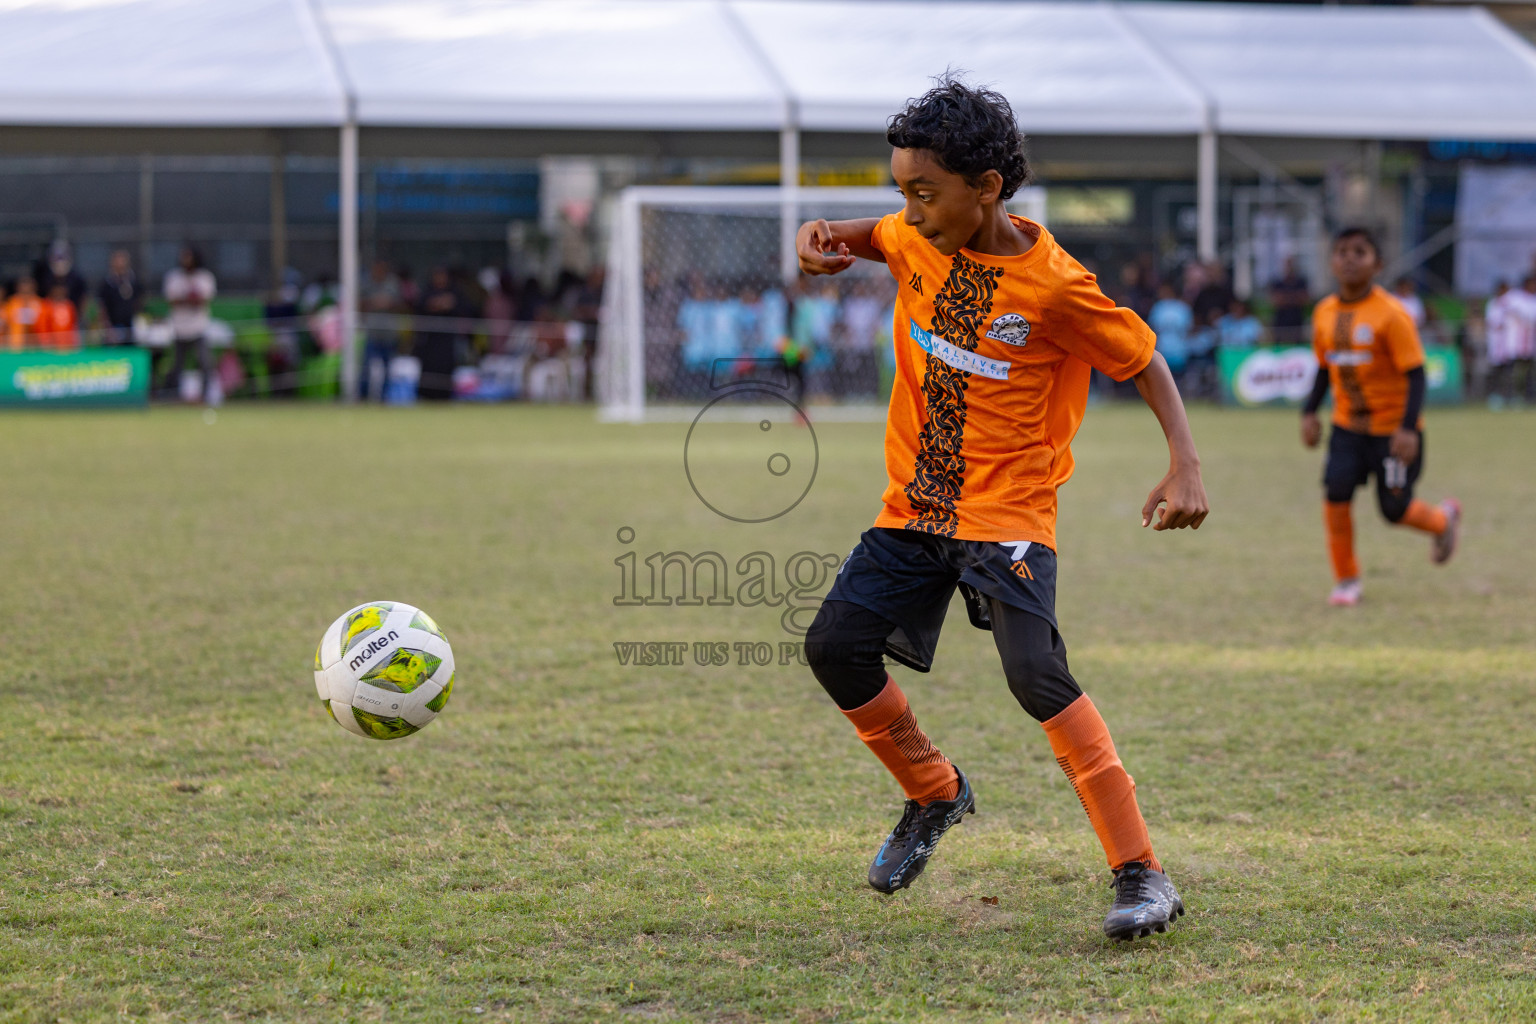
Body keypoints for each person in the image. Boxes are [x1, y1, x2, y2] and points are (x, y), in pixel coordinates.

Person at [795, 77, 1208, 942]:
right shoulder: (913, 234)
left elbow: (1144, 362)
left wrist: (1184, 465)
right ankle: (934, 792)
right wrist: (825, 239)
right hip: (916, 506)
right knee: (833, 647)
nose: (906, 209)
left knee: (1036, 676)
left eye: (923, 191)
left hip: (1009, 513)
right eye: (901, 190)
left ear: (986, 188)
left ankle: (1143, 874)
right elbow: (867, 236)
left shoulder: (1056, 287)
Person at [1300, 227, 1460, 608]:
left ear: (1378, 263)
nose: (1349, 258)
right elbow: (1325, 369)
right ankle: (1346, 579)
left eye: (1360, 251)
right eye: (1341, 252)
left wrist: (1408, 430)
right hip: (1346, 428)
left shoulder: (1392, 314)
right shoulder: (1324, 313)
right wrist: (1309, 413)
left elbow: (1416, 374)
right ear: (1331, 261)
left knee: (1394, 509)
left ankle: (1443, 521)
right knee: (1335, 493)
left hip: (1392, 432)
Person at [163, 246, 217, 403]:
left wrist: (187, 299)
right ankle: (174, 396)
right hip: (179, 328)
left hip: (199, 327)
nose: (185, 261)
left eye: (188, 257)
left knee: (205, 362)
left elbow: (203, 300)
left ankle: (206, 396)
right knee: (176, 365)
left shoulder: (204, 277)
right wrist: (188, 299)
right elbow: (172, 300)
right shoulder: (173, 277)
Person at [96, 249, 144, 346]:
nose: (120, 265)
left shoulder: (133, 281)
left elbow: (140, 301)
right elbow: (102, 306)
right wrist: (107, 326)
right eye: (117, 262)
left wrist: (138, 321)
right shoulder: (107, 283)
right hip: (113, 326)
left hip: (130, 326)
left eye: (122, 262)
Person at [1147, 282, 1192, 383]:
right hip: (1165, 349)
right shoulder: (1159, 307)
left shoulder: (1181, 308)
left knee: (1174, 379)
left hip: (1179, 350)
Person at [1268, 256, 1310, 346]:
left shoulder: (1301, 282)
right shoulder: (1277, 283)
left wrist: (1285, 298)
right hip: (1281, 322)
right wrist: (1294, 297)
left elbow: (1305, 299)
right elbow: (1275, 300)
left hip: (1297, 321)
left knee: (1298, 347)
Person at [2, 275, 43, 350]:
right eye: (23, 285)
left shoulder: (39, 303)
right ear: (17, 287)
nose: (26, 288)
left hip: (34, 346)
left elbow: (42, 326)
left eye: (28, 285)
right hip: (15, 345)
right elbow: (6, 324)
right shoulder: (11, 303)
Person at [37, 282, 79, 351]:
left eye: (61, 291)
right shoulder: (46, 306)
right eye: (57, 291)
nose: (59, 294)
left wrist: (74, 340)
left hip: (67, 344)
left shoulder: (69, 305)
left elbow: (73, 324)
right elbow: (42, 325)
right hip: (51, 344)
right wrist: (45, 340)